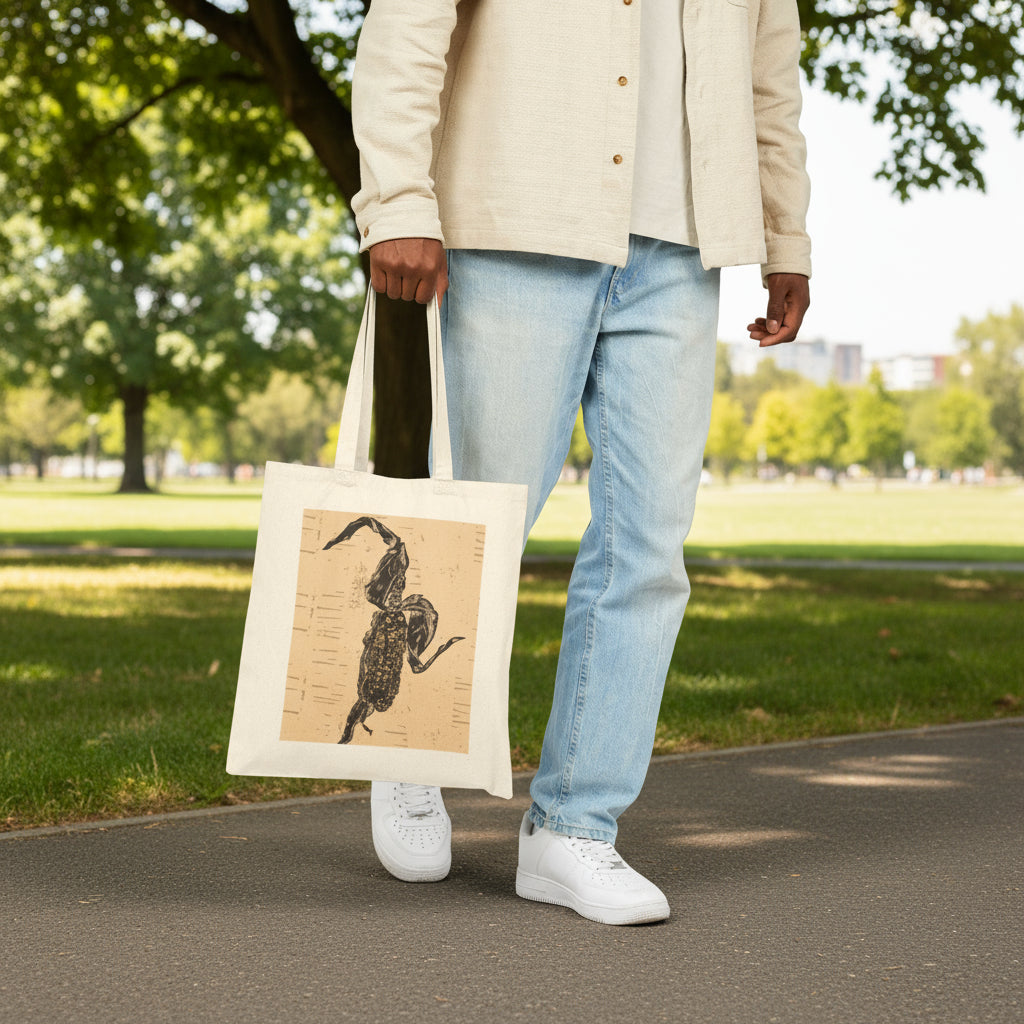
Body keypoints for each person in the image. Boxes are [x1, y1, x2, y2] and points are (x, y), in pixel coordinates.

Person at [350, 0, 811, 925]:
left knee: (648, 547)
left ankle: (575, 826)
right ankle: (409, 753)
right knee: (474, 533)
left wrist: (783, 233)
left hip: (683, 247)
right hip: (519, 217)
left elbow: (771, 75)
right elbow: (407, 24)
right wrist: (397, 197)